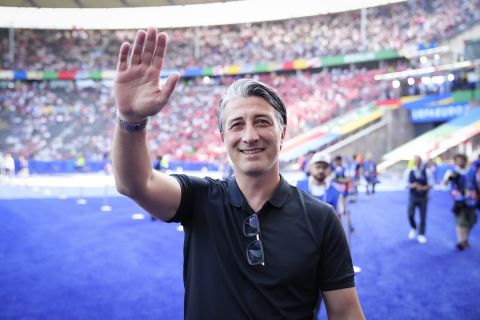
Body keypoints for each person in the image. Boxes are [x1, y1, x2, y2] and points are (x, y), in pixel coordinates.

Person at [112, 28, 364, 319]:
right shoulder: (199, 199)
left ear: (282, 133)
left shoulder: (321, 219)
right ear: (222, 138)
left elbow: (346, 313)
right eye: (236, 125)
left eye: (261, 122)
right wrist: (131, 118)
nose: (250, 136)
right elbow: (135, 184)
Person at [443, 154, 477, 250]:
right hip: (459, 201)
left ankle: (465, 239)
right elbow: (445, 183)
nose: (459, 162)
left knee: (471, 221)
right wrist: (450, 178)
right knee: (461, 221)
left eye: (461, 160)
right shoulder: (452, 172)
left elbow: (475, 184)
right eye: (457, 160)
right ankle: (460, 241)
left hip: (471, 200)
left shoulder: (471, 171)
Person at [406, 155, 433, 244]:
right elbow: (405, 184)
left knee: (423, 216)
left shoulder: (427, 171)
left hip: (423, 197)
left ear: (421, 161)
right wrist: (412, 185)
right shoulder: (409, 171)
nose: (417, 162)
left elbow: (431, 184)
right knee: (410, 214)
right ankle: (413, 227)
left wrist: (423, 187)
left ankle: (421, 234)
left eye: (419, 160)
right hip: (413, 196)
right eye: (416, 161)